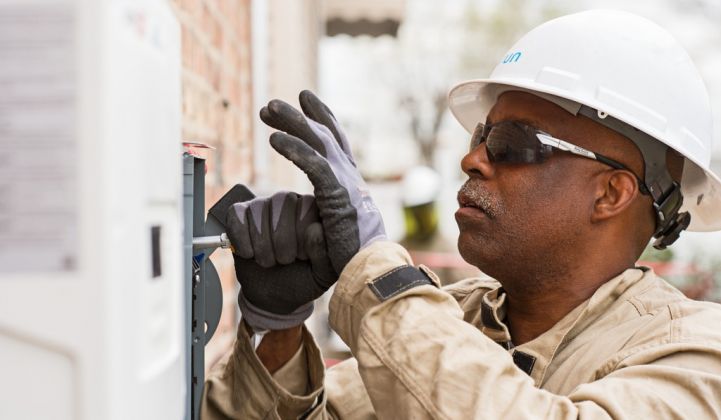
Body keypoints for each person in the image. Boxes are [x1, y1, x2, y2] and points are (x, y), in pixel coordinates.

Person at [202, 10, 721, 419]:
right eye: (480, 136)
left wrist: (375, 268)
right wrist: (278, 331)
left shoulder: (693, 357)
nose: (472, 159)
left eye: (511, 144)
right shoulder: (449, 322)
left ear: (611, 194)